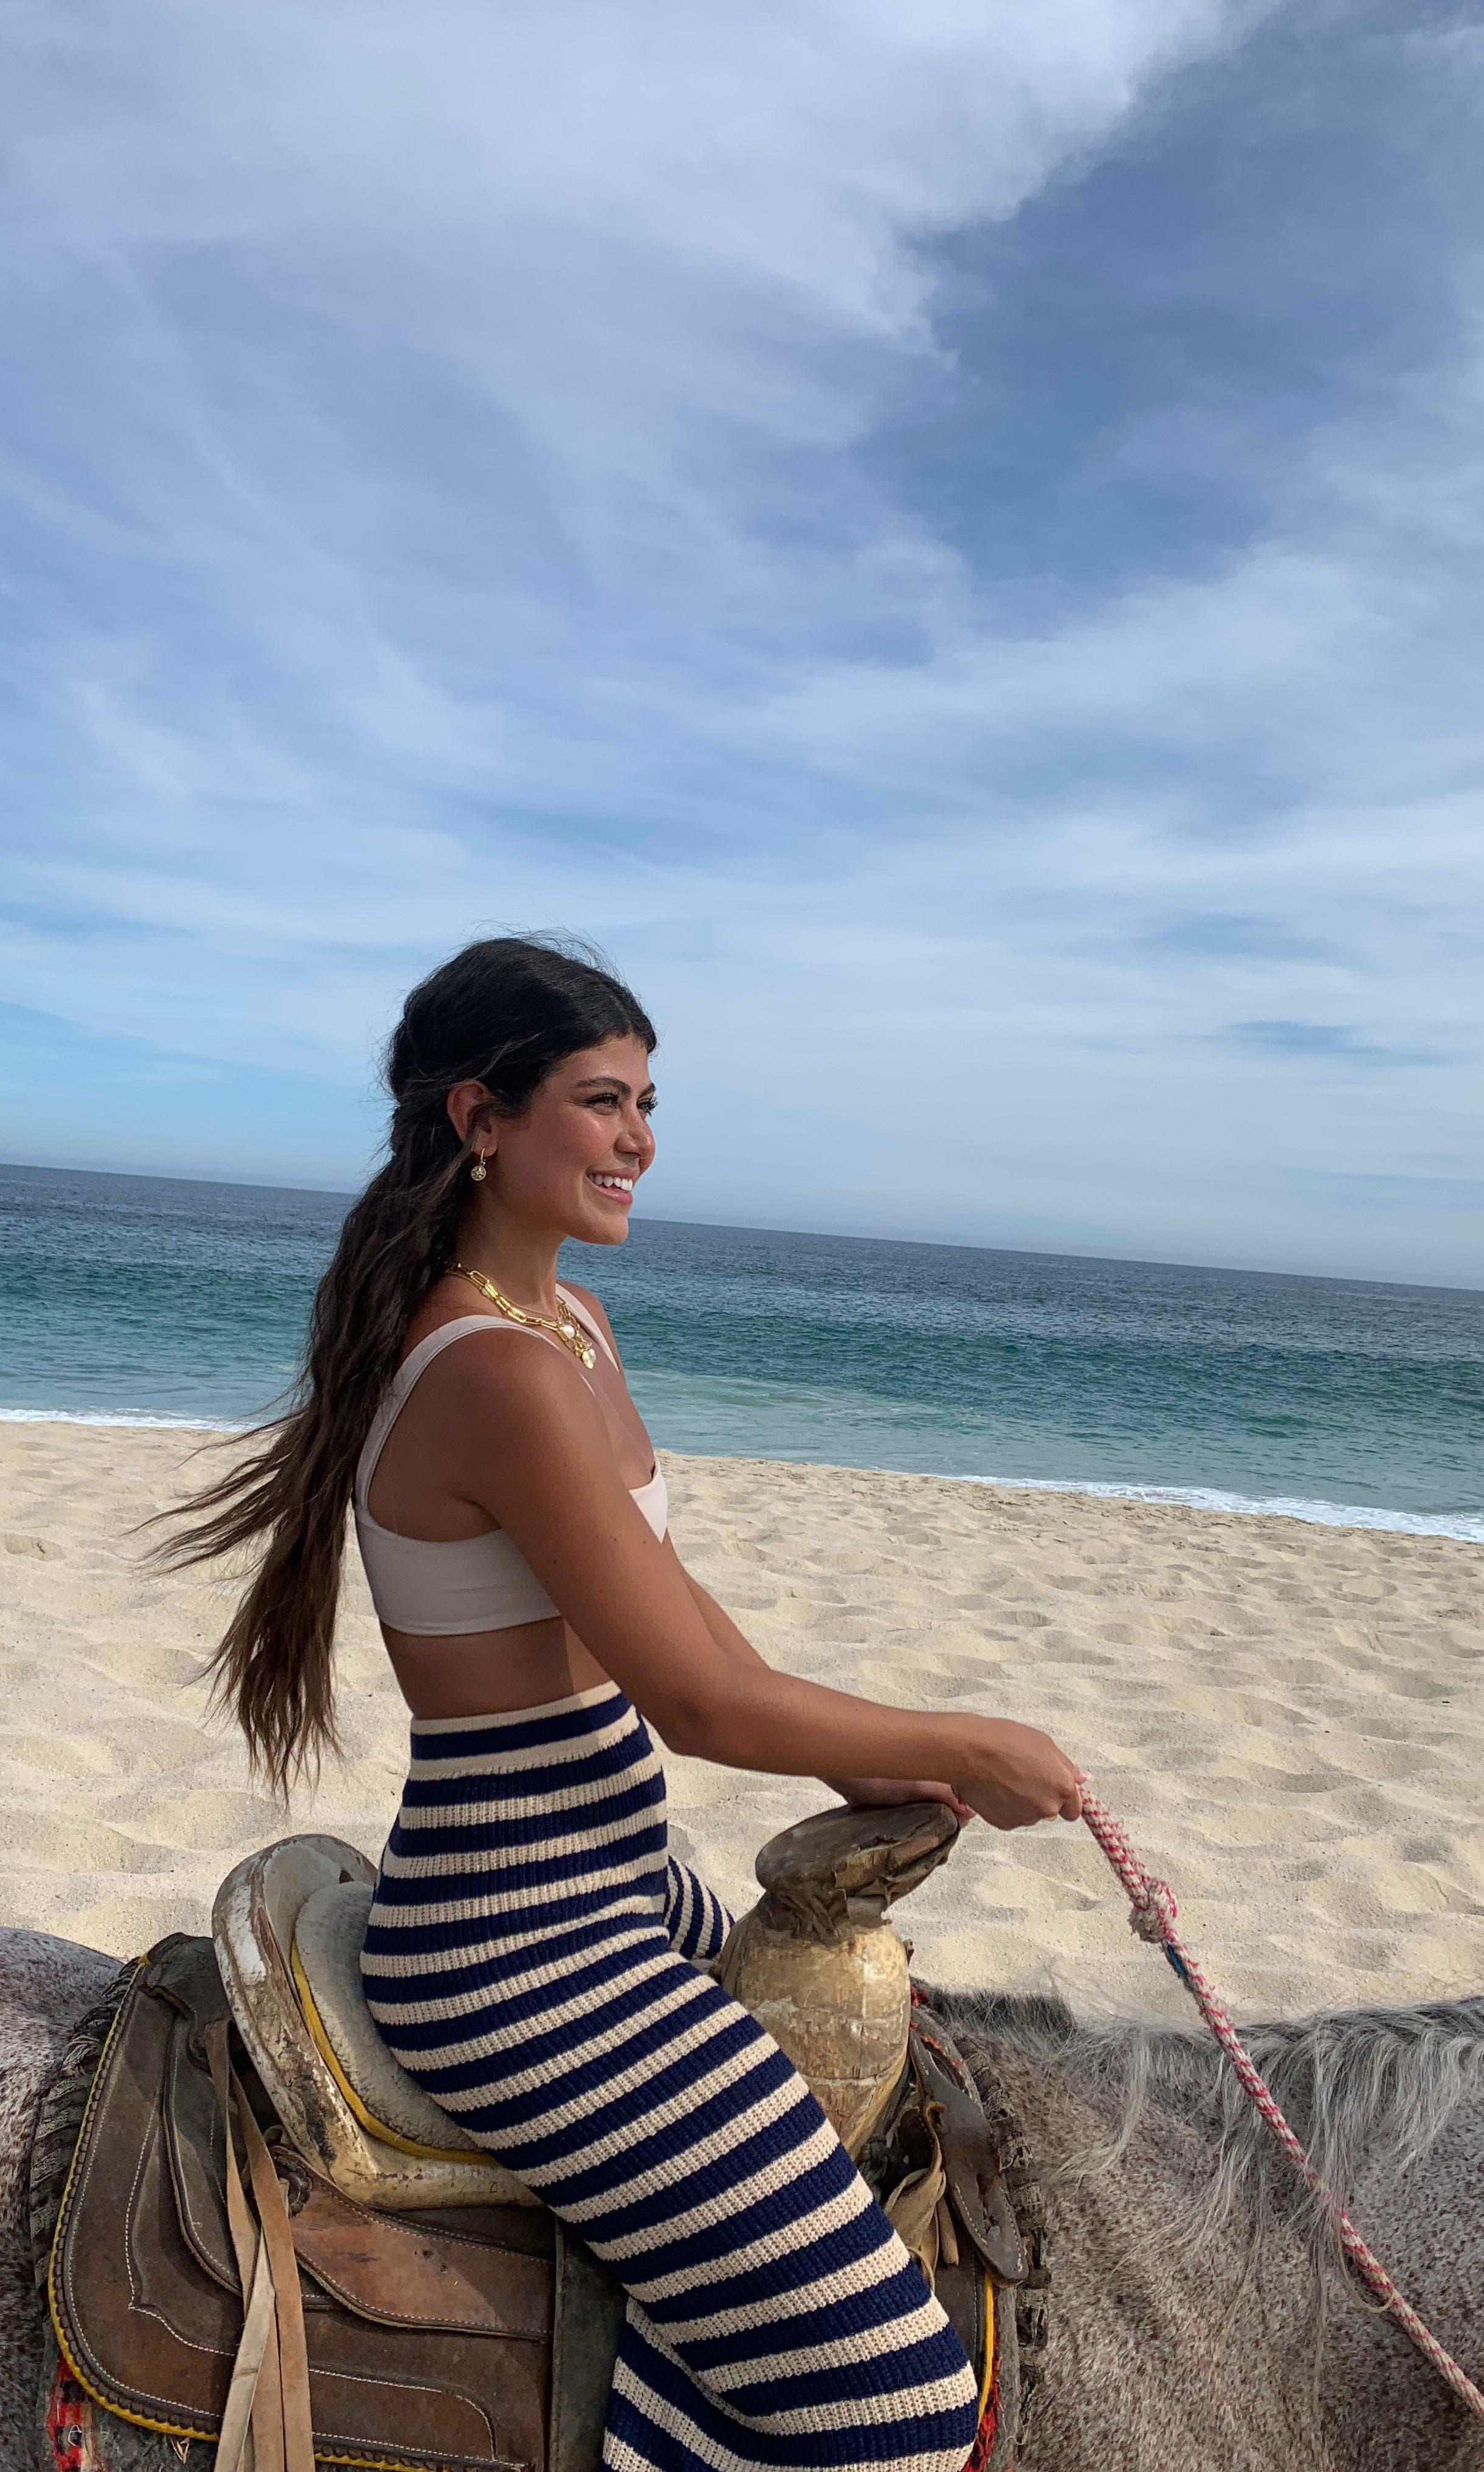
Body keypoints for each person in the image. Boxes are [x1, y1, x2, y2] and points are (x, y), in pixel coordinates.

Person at [166, 935, 1086, 2472]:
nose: (640, 1139)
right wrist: (963, 1743)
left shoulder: (573, 1333)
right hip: (516, 1947)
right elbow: (695, 1701)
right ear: (481, 1118)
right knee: (900, 2410)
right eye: (602, 1101)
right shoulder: (494, 1374)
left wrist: (893, 1755)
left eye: (649, 1102)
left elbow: (692, 1625)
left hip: (623, 1889)